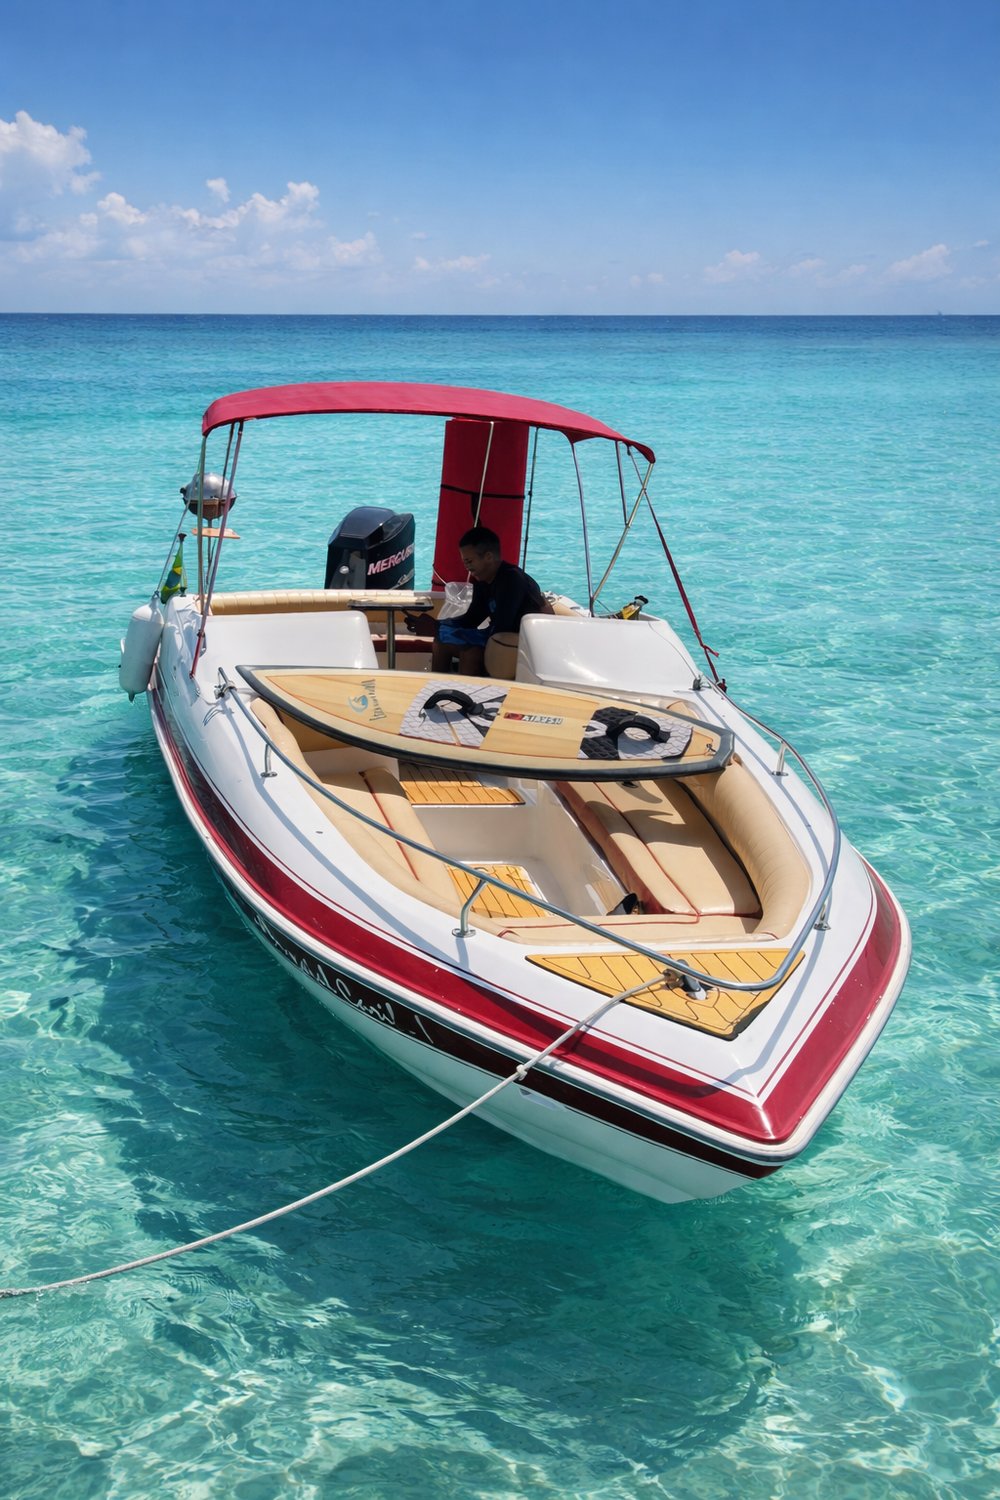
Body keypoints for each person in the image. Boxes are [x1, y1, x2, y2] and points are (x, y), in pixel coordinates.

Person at [406, 526, 551, 675]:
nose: (467, 567)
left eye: (469, 561)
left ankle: (466, 695)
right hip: (499, 636)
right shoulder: (482, 581)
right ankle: (438, 689)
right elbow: (471, 619)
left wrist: (438, 629)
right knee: (441, 642)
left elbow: (502, 626)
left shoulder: (511, 580)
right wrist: (438, 625)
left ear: (488, 557)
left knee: (471, 652)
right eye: (464, 562)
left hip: (524, 643)